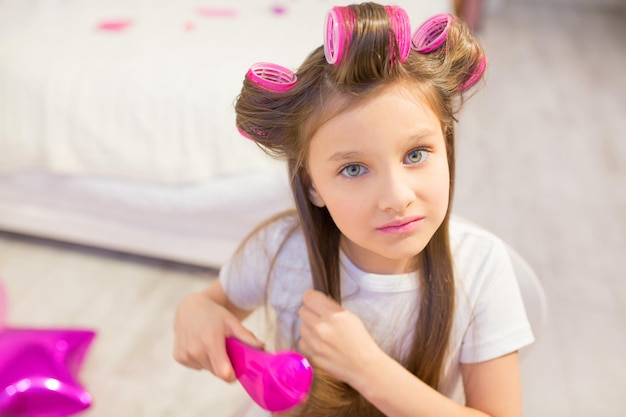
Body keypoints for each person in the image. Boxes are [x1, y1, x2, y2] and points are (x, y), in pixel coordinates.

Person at [173, 3, 534, 417]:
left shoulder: (481, 268)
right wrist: (193, 310)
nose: (396, 197)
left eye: (416, 154)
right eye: (354, 168)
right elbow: (211, 304)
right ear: (312, 185)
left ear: (446, 144)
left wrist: (367, 369)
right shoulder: (280, 250)